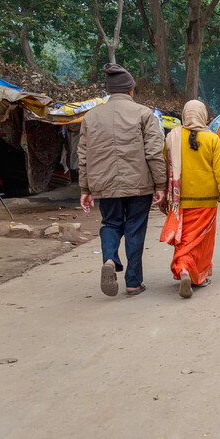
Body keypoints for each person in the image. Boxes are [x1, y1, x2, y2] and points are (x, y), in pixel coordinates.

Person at [78, 63, 166, 297]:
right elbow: (154, 153)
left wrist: (85, 188)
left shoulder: (90, 116)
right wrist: (161, 185)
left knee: (110, 224)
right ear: (131, 90)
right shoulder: (144, 113)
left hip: (104, 185)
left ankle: (109, 259)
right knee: (135, 229)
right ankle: (133, 282)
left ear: (108, 91)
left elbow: (83, 156)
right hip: (139, 185)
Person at [161, 100, 220, 298]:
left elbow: (165, 167)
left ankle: (184, 268)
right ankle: (196, 276)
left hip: (180, 200)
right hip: (207, 200)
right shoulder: (212, 140)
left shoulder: (172, 137)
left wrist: (161, 194)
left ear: (185, 115)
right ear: (203, 116)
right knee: (201, 241)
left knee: (183, 239)